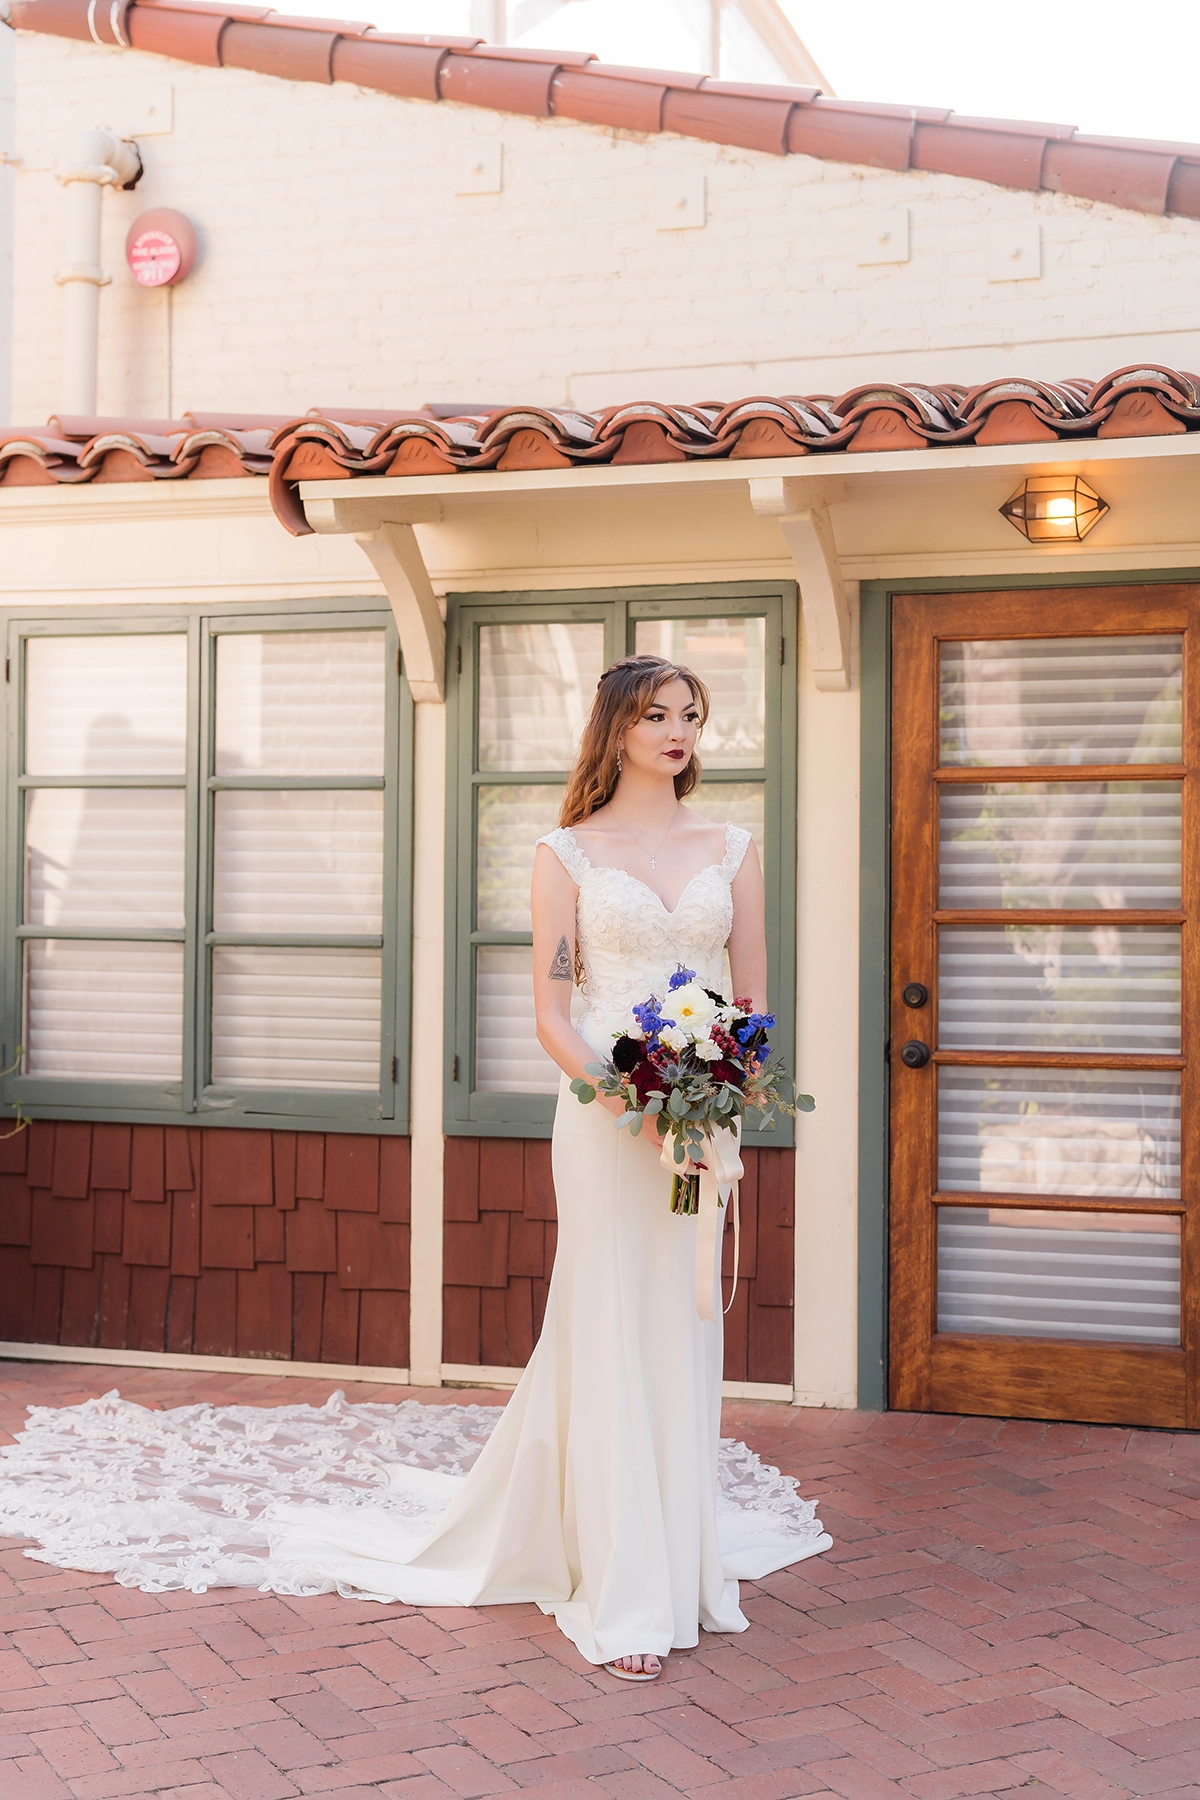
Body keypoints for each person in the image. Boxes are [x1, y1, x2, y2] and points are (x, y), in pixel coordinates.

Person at [0, 654, 830, 1683]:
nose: (678, 730)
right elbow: (552, 1011)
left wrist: (712, 1099)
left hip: (700, 1120)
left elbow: (750, 1002)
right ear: (614, 727)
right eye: (657, 713)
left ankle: (679, 1558)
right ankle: (623, 1585)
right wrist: (632, 1099)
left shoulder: (732, 847)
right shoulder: (564, 852)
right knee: (607, 1321)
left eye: (691, 715)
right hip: (608, 1119)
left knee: (678, 1323)